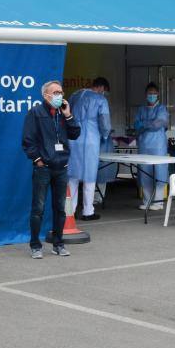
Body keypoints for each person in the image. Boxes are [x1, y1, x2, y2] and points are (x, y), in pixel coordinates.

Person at [22, 80, 81, 259]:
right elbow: (27, 140)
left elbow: (75, 134)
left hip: (61, 168)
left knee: (60, 208)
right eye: (55, 93)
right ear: (45, 95)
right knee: (38, 208)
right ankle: (35, 245)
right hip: (44, 168)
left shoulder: (63, 113)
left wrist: (69, 115)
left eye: (61, 92)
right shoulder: (35, 113)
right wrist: (38, 160)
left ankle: (58, 244)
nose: (59, 96)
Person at [67, 77, 111, 221]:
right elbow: (104, 123)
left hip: (73, 137)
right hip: (91, 138)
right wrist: (105, 135)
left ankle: (70, 211)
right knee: (90, 176)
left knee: (72, 175)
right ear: (102, 88)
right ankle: (88, 211)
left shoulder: (74, 96)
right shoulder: (100, 100)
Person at [134, 82, 170, 211]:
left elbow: (158, 124)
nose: (152, 95)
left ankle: (159, 202)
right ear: (145, 95)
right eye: (150, 93)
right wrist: (147, 124)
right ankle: (147, 200)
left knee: (159, 172)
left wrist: (144, 124)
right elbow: (136, 125)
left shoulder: (162, 108)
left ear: (158, 94)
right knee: (145, 172)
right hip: (144, 144)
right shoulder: (141, 109)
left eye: (154, 93)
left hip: (158, 144)